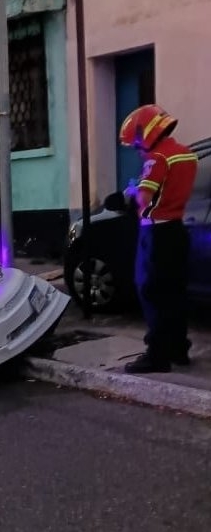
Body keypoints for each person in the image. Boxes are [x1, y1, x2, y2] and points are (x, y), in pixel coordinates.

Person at [119, 104, 198, 374]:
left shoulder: (158, 158)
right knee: (175, 293)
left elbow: (144, 197)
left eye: (136, 145)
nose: (138, 151)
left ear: (147, 134)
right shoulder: (186, 154)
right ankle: (179, 349)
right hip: (178, 229)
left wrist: (132, 190)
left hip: (156, 233)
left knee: (151, 292)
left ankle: (157, 355)